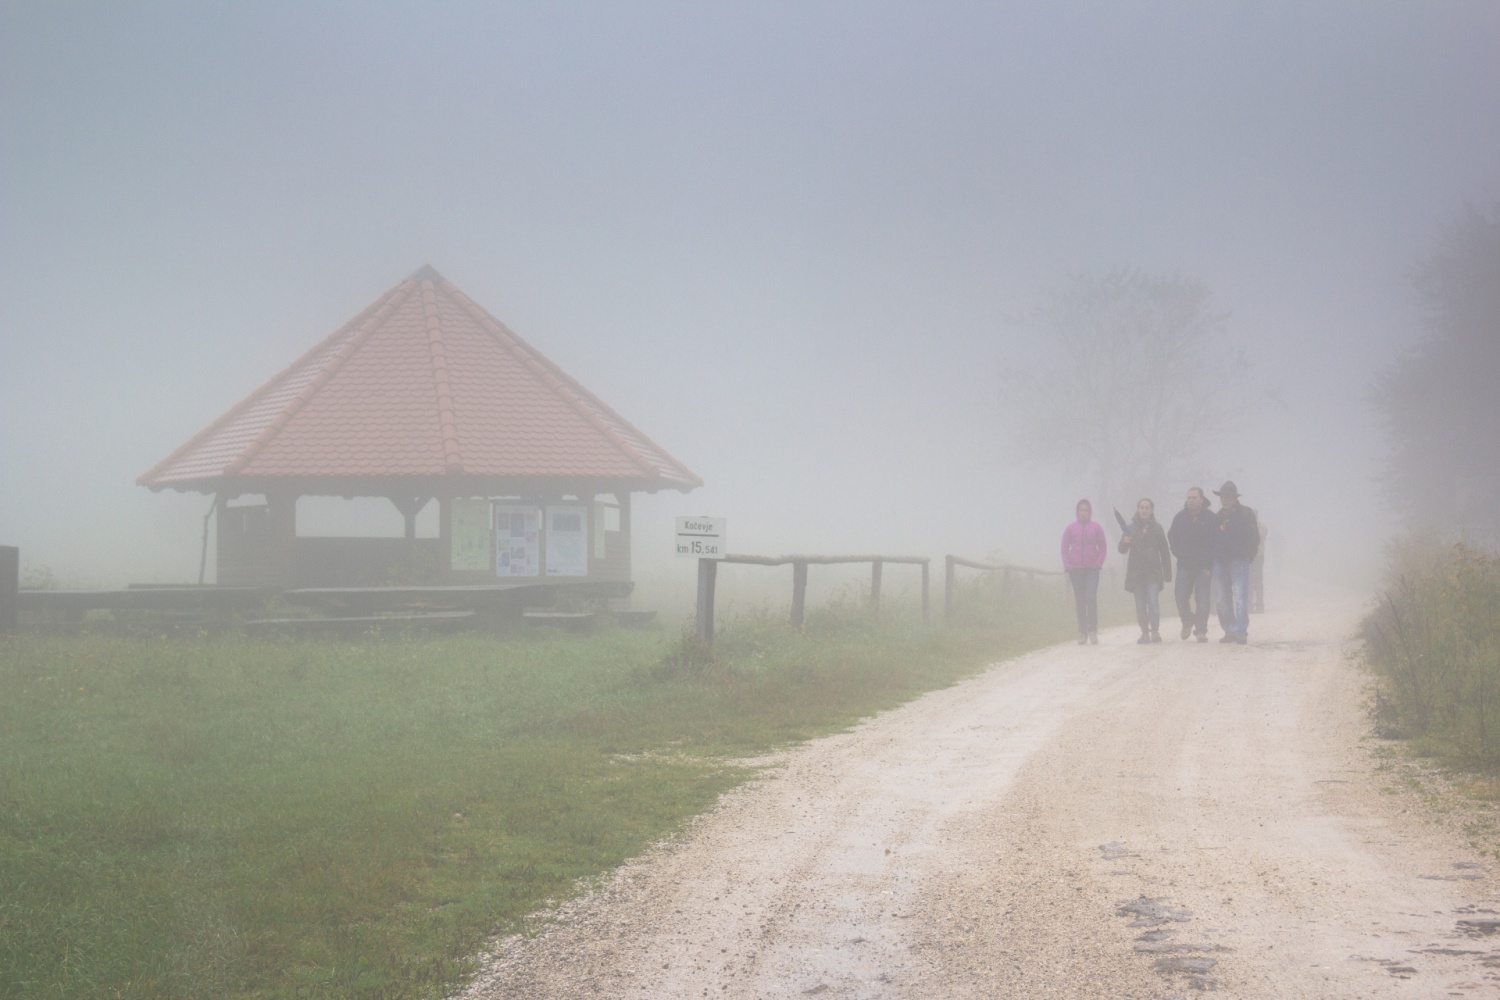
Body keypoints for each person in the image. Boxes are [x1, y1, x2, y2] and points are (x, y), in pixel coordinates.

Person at [1211, 480, 1260, 644]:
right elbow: (1212, 539)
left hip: (1239, 560)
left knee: (1240, 597)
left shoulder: (1246, 513)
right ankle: (1229, 630)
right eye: (1222, 497)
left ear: (1234, 498)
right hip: (1220, 562)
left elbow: (1254, 538)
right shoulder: (1217, 517)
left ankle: (1241, 631)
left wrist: (1248, 556)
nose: (1224, 500)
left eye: (1228, 497)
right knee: (1221, 598)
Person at [1118, 497, 1172, 643]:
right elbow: (1121, 549)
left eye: (1147, 507)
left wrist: (1167, 573)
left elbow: (1164, 551)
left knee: (1153, 602)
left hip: (1153, 573)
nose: (1144, 510)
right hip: (1136, 574)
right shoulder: (1130, 529)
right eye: (1141, 507)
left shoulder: (1157, 528)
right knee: (1140, 605)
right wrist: (1125, 542)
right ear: (1137, 509)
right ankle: (1144, 632)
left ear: (1151, 510)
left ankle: (1155, 631)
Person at [1167, 486, 1216, 642]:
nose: (1191, 500)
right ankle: (1188, 621)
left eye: (1194, 498)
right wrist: (1178, 553)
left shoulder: (1210, 518)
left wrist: (1209, 564)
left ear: (1202, 499)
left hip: (1203, 566)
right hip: (1185, 565)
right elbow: (1171, 537)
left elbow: (1215, 541)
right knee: (1180, 596)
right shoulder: (1179, 518)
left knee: (1202, 599)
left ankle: (1201, 630)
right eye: (1189, 497)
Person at [1060, 499, 1106, 644]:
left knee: (1090, 598)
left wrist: (1098, 564)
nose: (1083, 512)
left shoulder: (1096, 528)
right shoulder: (1070, 528)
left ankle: (1093, 630)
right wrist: (1068, 565)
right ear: (1077, 511)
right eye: (1081, 510)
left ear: (1090, 512)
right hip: (1076, 570)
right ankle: (1082, 632)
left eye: (1086, 510)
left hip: (1092, 570)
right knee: (1080, 600)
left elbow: (1103, 548)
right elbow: (1064, 548)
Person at [1250, 519, 1269, 613]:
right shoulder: (1262, 527)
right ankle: (1259, 605)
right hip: (1259, 555)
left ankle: (1250, 605)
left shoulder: (1249, 526)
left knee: (1250, 581)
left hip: (1251, 556)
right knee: (1258, 581)